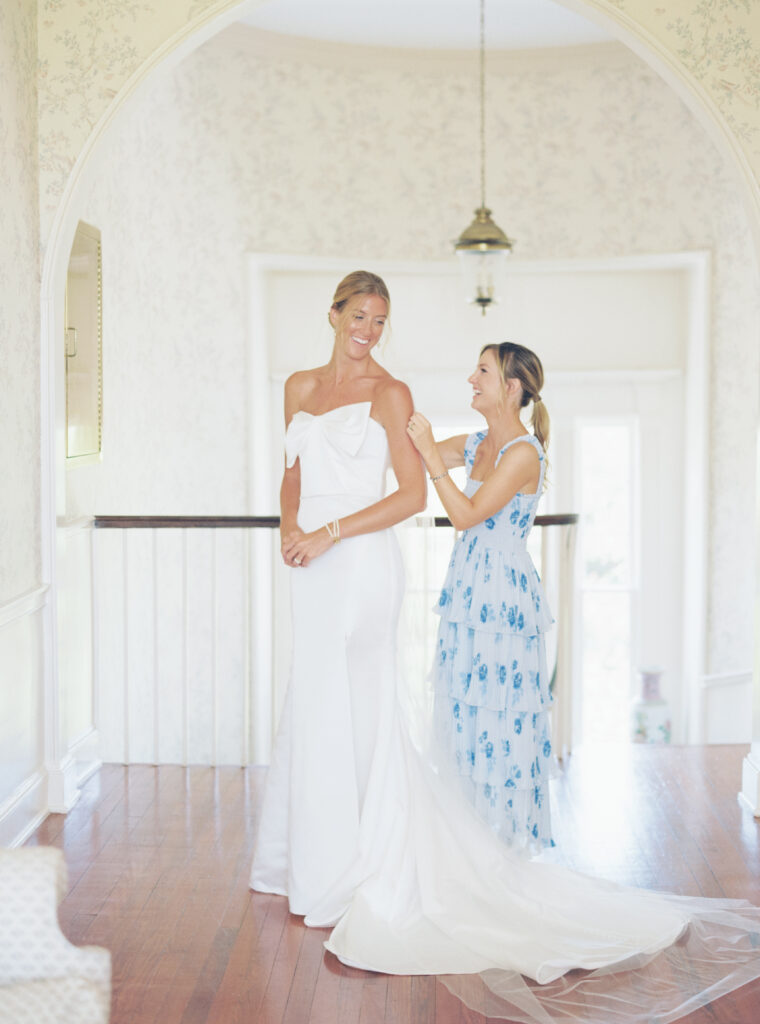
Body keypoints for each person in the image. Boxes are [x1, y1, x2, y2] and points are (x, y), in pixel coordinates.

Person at [251, 278, 760, 1023]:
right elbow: (322, 471)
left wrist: (398, 468)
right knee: (339, 705)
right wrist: (296, 525)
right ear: (332, 315)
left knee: (430, 716)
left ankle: (476, 858)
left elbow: (441, 502)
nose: (369, 328)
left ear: (513, 385)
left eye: (483, 371)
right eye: (358, 315)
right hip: (363, 576)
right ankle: (320, 856)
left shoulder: (509, 446)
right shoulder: (450, 429)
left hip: (429, 581)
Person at [407, 342, 554, 851]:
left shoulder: (522, 453)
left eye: (483, 371)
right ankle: (465, 845)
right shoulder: (476, 443)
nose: (471, 377)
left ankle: (499, 851)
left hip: (503, 601)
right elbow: (406, 449)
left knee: (499, 716)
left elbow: (468, 514)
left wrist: (430, 458)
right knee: (463, 710)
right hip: (468, 590)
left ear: (511, 388)